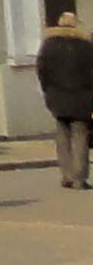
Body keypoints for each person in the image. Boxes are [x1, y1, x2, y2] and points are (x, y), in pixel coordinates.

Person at [40, 10, 93, 191]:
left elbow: (42, 70)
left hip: (57, 97)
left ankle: (67, 175)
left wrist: (47, 89)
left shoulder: (49, 45)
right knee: (81, 135)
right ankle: (79, 178)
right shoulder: (86, 46)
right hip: (83, 98)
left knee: (62, 134)